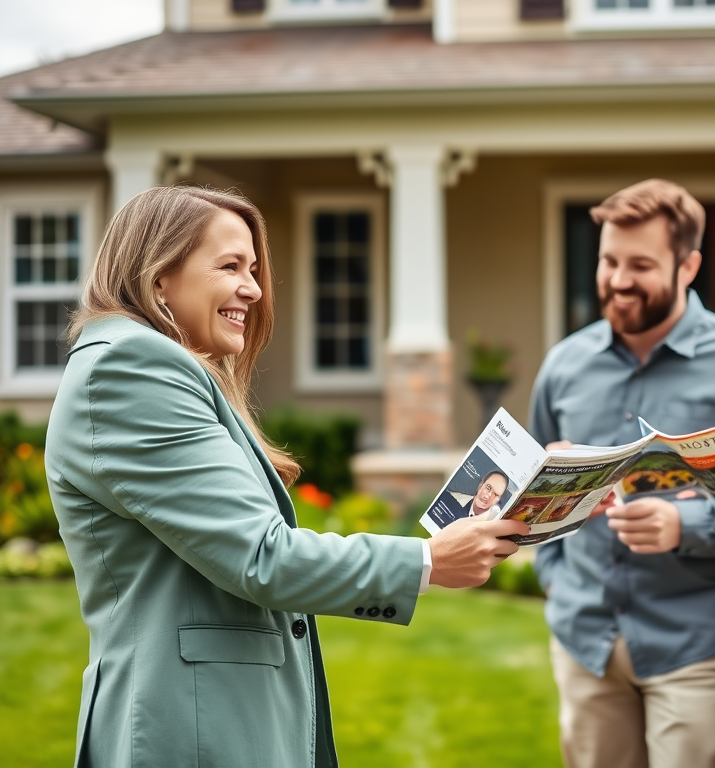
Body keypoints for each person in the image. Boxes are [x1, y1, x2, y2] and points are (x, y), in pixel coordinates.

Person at [44, 186, 529, 768]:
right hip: (191, 727)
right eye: (229, 266)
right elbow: (261, 557)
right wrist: (429, 563)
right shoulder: (131, 367)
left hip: (222, 719)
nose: (254, 288)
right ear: (157, 280)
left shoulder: (155, 366)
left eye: (253, 268)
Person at [529, 179, 715, 768]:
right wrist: (554, 577)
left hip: (693, 642)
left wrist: (688, 523)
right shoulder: (563, 366)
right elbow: (535, 488)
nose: (619, 279)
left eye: (641, 264)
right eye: (608, 260)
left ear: (689, 265)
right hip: (584, 638)